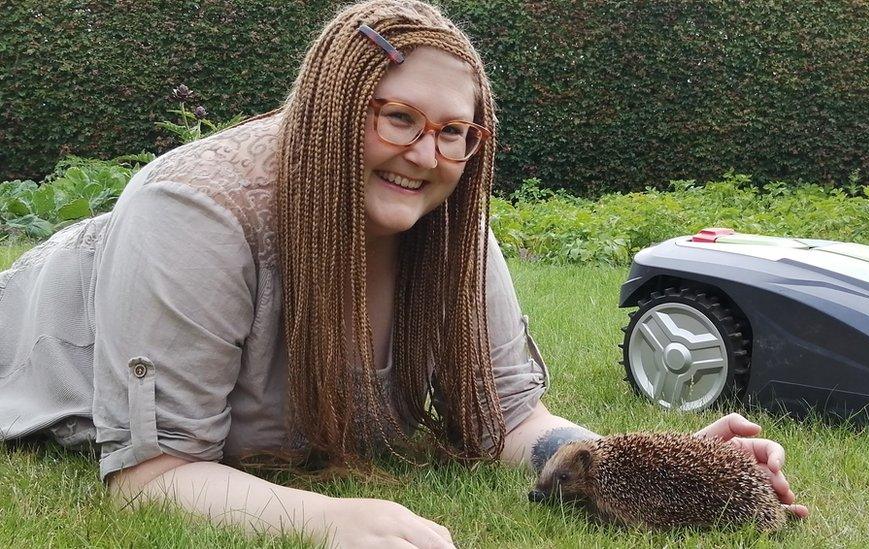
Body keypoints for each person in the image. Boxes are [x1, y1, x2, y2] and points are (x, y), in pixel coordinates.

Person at [0, 1, 808, 546]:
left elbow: (509, 420)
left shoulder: (448, 223)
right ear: (334, 111)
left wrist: (638, 465)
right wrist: (331, 519)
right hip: (37, 324)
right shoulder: (198, 210)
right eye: (399, 118)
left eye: (455, 132)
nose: (426, 155)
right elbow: (152, 475)